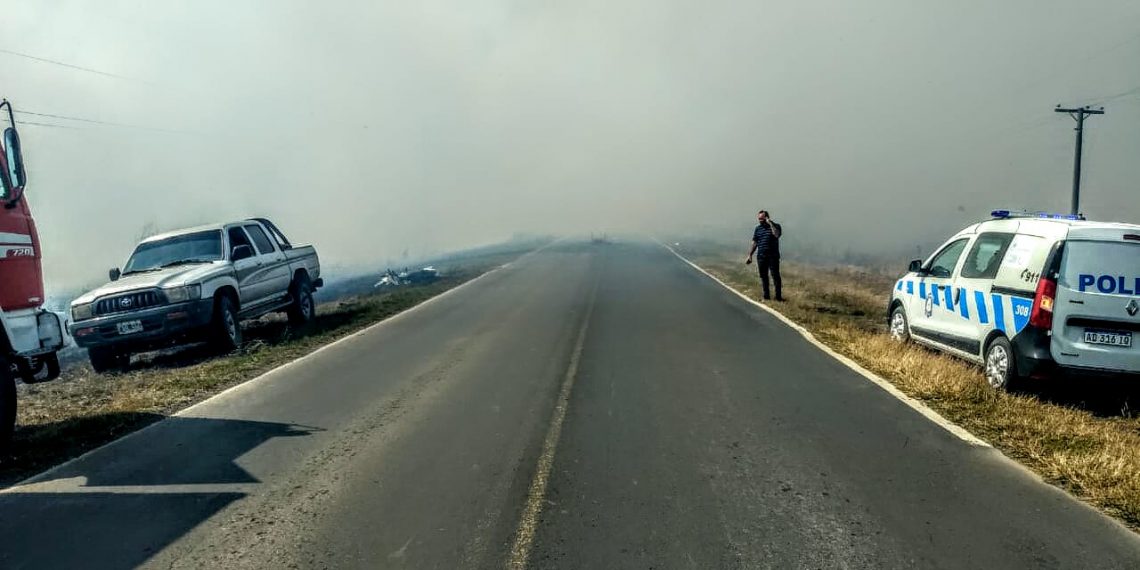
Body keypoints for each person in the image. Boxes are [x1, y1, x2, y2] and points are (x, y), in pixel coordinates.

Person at [745, 210, 783, 301]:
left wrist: (770, 223)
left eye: (762, 219)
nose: (760, 221)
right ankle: (766, 296)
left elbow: (776, 235)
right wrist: (750, 255)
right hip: (761, 256)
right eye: (759, 219)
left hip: (772, 256)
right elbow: (755, 242)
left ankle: (778, 297)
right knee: (763, 276)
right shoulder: (758, 229)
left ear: (767, 217)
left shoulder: (776, 226)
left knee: (775, 276)